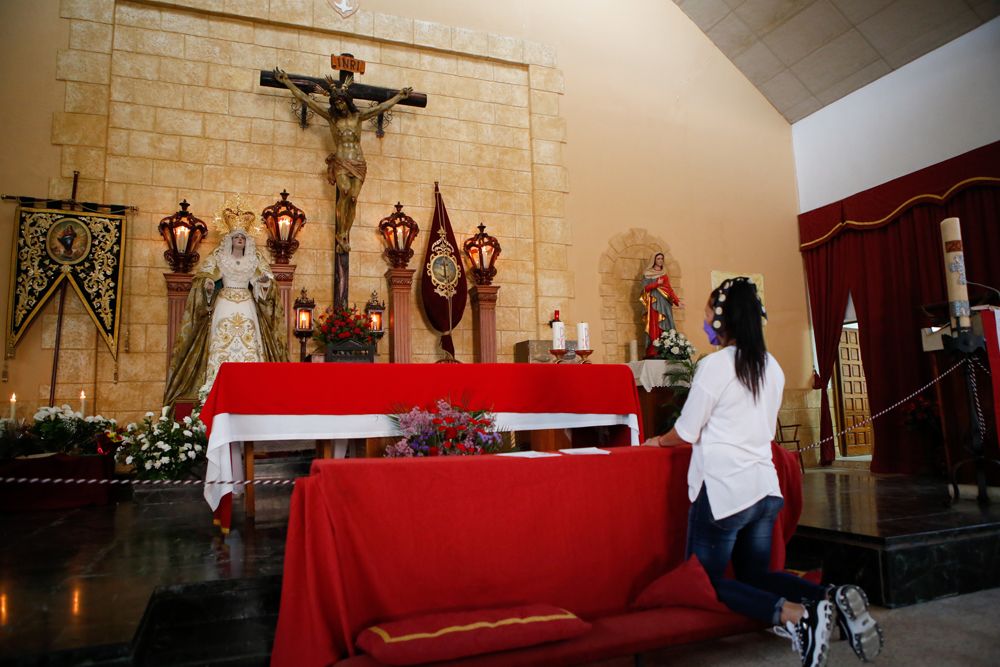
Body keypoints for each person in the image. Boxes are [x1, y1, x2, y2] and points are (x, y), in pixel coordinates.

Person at [643, 278, 882, 667]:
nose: (704, 320)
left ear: (724, 319)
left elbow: (685, 432)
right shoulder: (771, 366)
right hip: (764, 488)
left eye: (707, 312)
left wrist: (655, 441)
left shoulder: (716, 366)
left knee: (702, 582)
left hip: (723, 491)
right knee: (758, 574)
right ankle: (830, 598)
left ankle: (797, 617)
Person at [273, 67, 412, 253]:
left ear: (347, 101)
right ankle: (340, 234)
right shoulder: (332, 118)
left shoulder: (358, 116)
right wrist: (287, 82)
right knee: (345, 191)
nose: (339, 106)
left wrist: (399, 97)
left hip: (359, 163)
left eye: (341, 102)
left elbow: (381, 107)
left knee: (353, 199)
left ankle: (345, 232)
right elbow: (306, 100)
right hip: (341, 161)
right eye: (336, 103)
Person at [164, 201, 288, 407]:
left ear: (247, 241)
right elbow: (204, 278)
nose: (239, 239)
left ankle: (252, 388)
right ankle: (214, 387)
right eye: (236, 237)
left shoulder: (254, 259)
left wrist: (264, 284)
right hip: (225, 304)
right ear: (229, 240)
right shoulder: (220, 257)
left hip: (246, 304)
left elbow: (265, 282)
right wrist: (209, 284)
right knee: (221, 341)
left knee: (249, 342)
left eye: (242, 237)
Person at [640, 252, 681, 357]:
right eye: (658, 258)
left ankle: (666, 347)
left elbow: (670, 290)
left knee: (666, 323)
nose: (660, 260)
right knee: (654, 325)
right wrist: (656, 284)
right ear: (654, 260)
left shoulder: (664, 274)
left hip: (664, 302)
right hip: (653, 302)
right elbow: (645, 288)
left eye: (662, 258)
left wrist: (677, 302)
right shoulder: (647, 273)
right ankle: (654, 349)